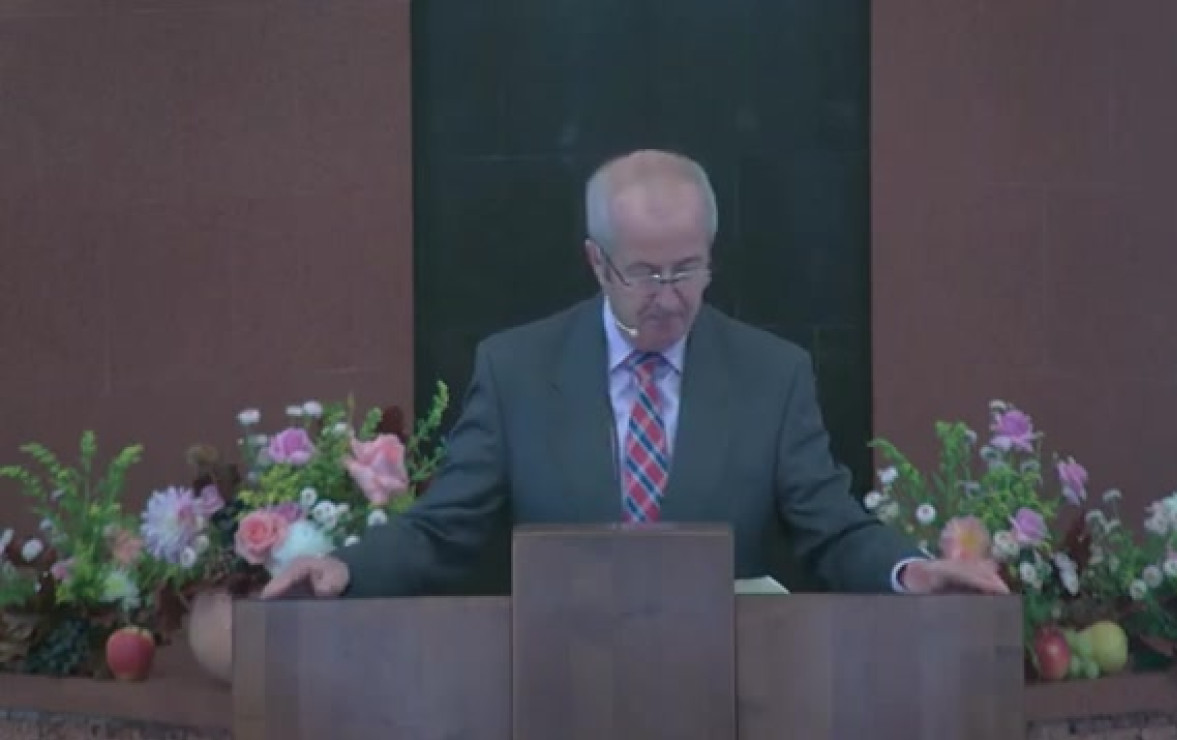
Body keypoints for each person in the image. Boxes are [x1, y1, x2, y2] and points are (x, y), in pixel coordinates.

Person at [262, 149, 1008, 600]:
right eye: (645, 272)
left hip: (730, 687)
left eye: (688, 268)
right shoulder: (517, 370)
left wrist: (911, 571)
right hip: (560, 683)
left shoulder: (773, 375)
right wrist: (345, 570)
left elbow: (833, 528)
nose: (669, 295)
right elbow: (444, 527)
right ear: (597, 262)